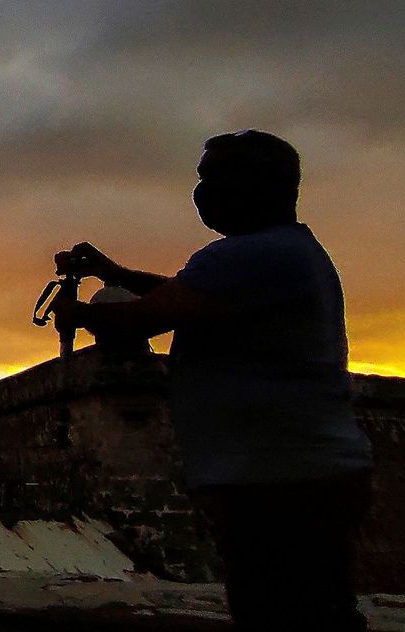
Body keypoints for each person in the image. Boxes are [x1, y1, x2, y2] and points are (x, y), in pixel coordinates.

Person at [56, 130, 373, 631]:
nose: (202, 192)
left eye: (212, 178)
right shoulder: (284, 251)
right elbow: (188, 298)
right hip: (299, 476)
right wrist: (112, 272)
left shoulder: (245, 256)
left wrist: (75, 312)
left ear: (255, 184)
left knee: (281, 615)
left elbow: (140, 320)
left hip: (277, 483)